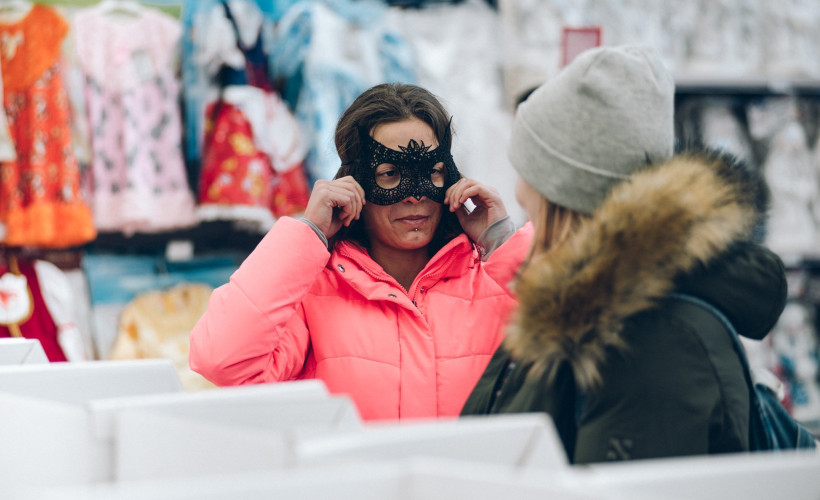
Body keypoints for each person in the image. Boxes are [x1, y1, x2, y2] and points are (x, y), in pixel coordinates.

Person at [461, 45, 788, 463]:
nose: (519, 190)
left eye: (531, 191)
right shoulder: (586, 310)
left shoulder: (652, 340)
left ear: (565, 198)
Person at [189, 83, 532, 421]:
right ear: (354, 182)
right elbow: (222, 360)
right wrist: (307, 234)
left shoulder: (497, 285)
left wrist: (502, 241)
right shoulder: (312, 297)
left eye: (431, 171)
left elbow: (565, 346)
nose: (415, 195)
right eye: (390, 174)